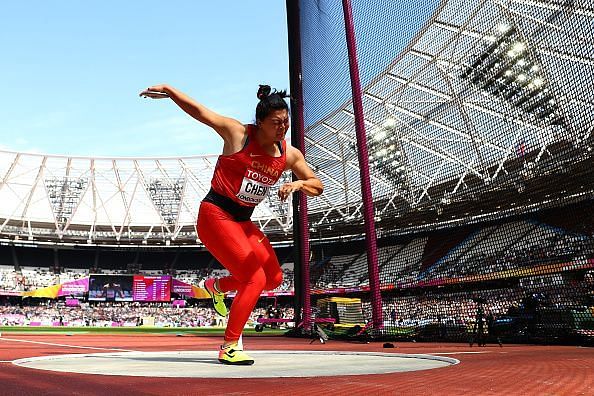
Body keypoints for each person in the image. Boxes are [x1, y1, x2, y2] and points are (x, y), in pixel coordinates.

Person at [140, 84, 323, 365]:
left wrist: (298, 183)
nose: (282, 128)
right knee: (255, 278)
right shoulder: (238, 134)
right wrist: (170, 91)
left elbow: (317, 185)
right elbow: (200, 112)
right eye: (275, 123)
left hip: (242, 221)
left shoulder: (289, 155)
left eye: (285, 122)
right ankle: (229, 346)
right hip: (215, 215)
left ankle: (217, 286)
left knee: (273, 280)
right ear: (259, 123)